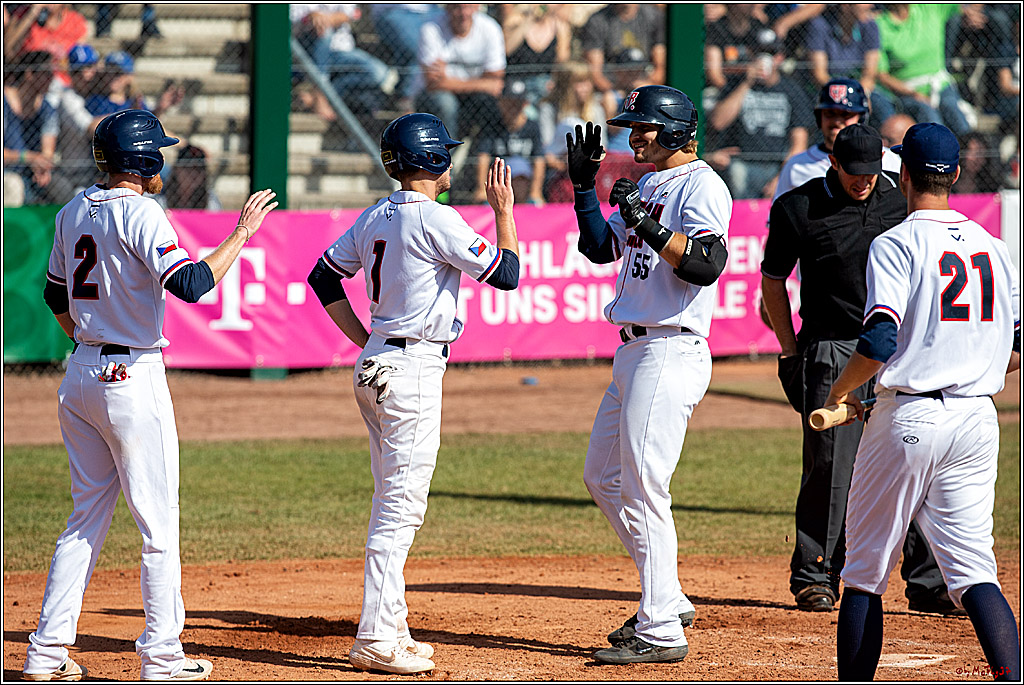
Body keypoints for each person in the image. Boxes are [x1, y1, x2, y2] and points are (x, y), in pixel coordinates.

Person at [23, 109, 278, 682]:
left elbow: (53, 295)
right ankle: (162, 657)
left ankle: (44, 654)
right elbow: (189, 284)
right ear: (144, 160)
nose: (163, 156)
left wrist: (92, 345)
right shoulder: (143, 212)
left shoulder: (71, 210)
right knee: (158, 527)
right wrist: (240, 235)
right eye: (158, 149)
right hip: (131, 380)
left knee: (84, 520)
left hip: (81, 373)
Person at [306, 113, 519, 675]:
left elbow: (323, 277)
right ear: (434, 161)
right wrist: (504, 214)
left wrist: (364, 338)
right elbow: (507, 274)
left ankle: (392, 626)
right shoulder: (437, 218)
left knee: (389, 500)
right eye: (445, 153)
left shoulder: (376, 213)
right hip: (413, 371)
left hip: (376, 363)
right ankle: (376, 637)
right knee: (400, 510)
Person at [825, 122, 1021, 681]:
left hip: (910, 415)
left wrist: (843, 390)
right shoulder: (993, 246)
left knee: (864, 571)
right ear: (956, 175)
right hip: (978, 420)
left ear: (902, 174)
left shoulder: (896, 242)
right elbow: (1015, 345)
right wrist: (968, 363)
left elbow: (880, 339)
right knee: (975, 570)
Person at [762, 123, 956, 614]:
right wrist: (788, 350)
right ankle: (816, 574)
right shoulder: (797, 207)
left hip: (897, 349)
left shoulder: (899, 201)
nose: (864, 182)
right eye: (855, 173)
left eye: (872, 173)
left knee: (911, 456)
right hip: (831, 347)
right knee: (831, 466)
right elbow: (773, 280)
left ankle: (928, 583)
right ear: (833, 163)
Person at [568, 86, 731, 663]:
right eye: (630, 126)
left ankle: (661, 628)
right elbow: (597, 248)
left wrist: (651, 224)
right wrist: (586, 189)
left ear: (678, 131)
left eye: (643, 127)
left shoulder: (701, 184)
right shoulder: (650, 184)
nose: (632, 136)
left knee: (644, 486)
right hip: (635, 352)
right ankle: (667, 595)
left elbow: (705, 264)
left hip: (669, 347)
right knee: (602, 478)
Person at [706, 33, 813, 199]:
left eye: (772, 53)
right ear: (751, 55)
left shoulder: (792, 90)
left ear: (780, 58)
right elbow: (718, 122)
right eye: (760, 53)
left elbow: (799, 144)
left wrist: (782, 178)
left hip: (777, 165)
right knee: (735, 173)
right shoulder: (736, 85)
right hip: (740, 163)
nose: (765, 59)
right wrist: (747, 83)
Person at [773, 78, 900, 200]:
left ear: (861, 118)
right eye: (830, 114)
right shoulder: (796, 165)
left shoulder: (887, 159)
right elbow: (778, 217)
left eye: (846, 114)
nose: (837, 121)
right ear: (819, 118)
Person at [874, 4, 972, 137]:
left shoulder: (930, 7)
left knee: (955, 114)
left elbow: (968, 5)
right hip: (905, 93)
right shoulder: (879, 25)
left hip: (941, 85)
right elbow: (882, 75)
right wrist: (913, 94)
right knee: (931, 121)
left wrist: (971, 13)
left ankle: (971, 155)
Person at [416, 4, 506, 142]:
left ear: (476, 7)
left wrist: (448, 80)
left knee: (488, 103)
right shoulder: (431, 28)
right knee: (446, 104)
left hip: (473, 98)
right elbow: (433, 83)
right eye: (457, 7)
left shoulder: (490, 28)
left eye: (468, 6)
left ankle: (481, 154)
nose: (463, 13)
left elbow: (497, 78)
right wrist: (483, 83)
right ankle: (446, 156)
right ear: (447, 8)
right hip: (435, 97)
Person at [290, 4, 397, 117]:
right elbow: (292, 16)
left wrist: (326, 19)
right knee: (324, 32)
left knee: (379, 74)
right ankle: (319, 93)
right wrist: (311, 17)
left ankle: (321, 95)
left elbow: (348, 14)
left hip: (341, 51)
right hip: (307, 48)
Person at [46, 43, 106, 203]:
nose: (87, 75)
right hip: (75, 176)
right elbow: (93, 129)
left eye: (90, 68)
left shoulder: (100, 96)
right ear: (72, 73)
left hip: (101, 173)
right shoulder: (67, 98)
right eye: (80, 71)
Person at [473, 78, 545, 206]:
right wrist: (481, 188)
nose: (513, 108)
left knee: (521, 179)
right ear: (500, 103)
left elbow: (539, 159)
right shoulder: (492, 126)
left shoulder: (532, 127)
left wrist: (536, 191)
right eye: (509, 102)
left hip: (524, 174)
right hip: (499, 174)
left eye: (517, 103)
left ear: (525, 104)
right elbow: (483, 156)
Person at [580, 4, 665, 107]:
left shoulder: (653, 16)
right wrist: (617, 90)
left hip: (644, 84)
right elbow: (595, 73)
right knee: (609, 101)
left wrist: (643, 87)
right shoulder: (597, 20)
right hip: (612, 89)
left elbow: (660, 68)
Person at [3, 50, 57, 205]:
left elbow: (48, 152)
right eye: (46, 73)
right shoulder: (4, 102)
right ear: (29, 74)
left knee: (61, 187)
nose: (51, 78)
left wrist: (43, 167)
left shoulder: (47, 108)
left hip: (32, 172)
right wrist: (30, 158)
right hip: (7, 171)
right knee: (14, 184)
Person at [805, 5, 881, 101]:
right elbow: (819, 75)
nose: (871, 5)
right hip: (826, 90)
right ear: (845, 6)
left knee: (881, 107)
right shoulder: (819, 25)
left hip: (859, 89)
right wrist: (845, 95)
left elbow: (869, 74)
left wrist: (861, 95)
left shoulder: (870, 25)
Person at [86, 51, 184, 118]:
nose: (113, 78)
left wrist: (159, 109)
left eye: (118, 74)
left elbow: (148, 125)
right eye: (109, 72)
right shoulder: (96, 100)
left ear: (129, 77)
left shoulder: (132, 101)